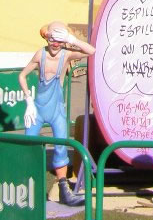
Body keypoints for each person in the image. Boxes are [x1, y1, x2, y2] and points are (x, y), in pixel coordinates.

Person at [19, 20, 96, 207]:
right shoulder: (40, 54)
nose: (55, 44)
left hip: (57, 110)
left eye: (60, 40)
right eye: (53, 39)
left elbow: (91, 51)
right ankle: (26, 188)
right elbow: (22, 75)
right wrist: (28, 100)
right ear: (46, 37)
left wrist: (71, 39)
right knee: (29, 145)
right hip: (37, 109)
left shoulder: (67, 55)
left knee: (61, 146)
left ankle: (64, 190)